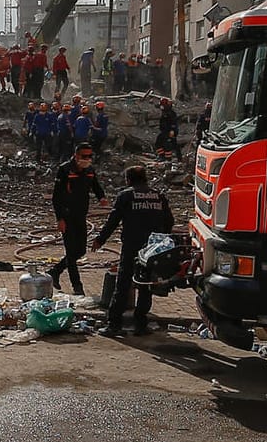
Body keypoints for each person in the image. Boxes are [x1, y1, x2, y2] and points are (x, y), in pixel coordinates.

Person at [93, 165, 175, 337]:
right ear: (145, 178)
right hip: (152, 248)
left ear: (128, 180)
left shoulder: (126, 196)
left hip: (132, 246)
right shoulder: (159, 196)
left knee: (123, 284)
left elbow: (113, 221)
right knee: (145, 285)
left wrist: (100, 239)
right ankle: (140, 324)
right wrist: (161, 239)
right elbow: (169, 221)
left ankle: (114, 325)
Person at [47, 143, 106, 295]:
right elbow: (56, 197)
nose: (87, 159)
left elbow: (95, 186)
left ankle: (55, 271)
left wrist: (102, 198)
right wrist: (60, 219)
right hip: (67, 216)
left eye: (89, 156)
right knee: (71, 252)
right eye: (84, 156)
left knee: (80, 251)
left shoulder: (90, 171)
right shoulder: (65, 170)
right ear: (76, 155)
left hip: (81, 215)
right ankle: (77, 286)